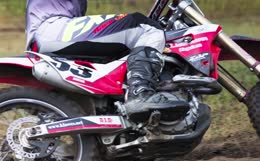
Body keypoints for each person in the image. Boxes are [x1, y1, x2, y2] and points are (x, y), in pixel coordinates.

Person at [26, 0, 188, 122]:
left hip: (50, 31)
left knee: (128, 40)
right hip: (55, 28)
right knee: (145, 27)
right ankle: (139, 93)